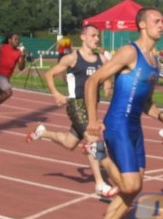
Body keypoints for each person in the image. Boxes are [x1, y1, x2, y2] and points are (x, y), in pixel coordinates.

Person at [85, 8, 163, 218]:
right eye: (157, 21)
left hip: (135, 128)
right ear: (142, 25)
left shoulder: (155, 62)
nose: (162, 25)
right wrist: (92, 121)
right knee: (130, 185)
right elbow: (92, 81)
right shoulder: (129, 52)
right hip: (118, 125)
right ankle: (97, 151)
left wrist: (162, 116)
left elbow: (146, 104)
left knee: (134, 190)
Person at [26, 24, 117, 198]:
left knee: (69, 143)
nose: (96, 39)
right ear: (83, 37)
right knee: (93, 139)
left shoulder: (101, 60)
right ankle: (99, 183)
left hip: (92, 107)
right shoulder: (72, 58)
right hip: (76, 104)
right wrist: (56, 94)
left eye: (98, 36)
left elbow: (108, 73)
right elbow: (49, 74)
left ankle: (43, 132)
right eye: (93, 35)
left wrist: (107, 84)